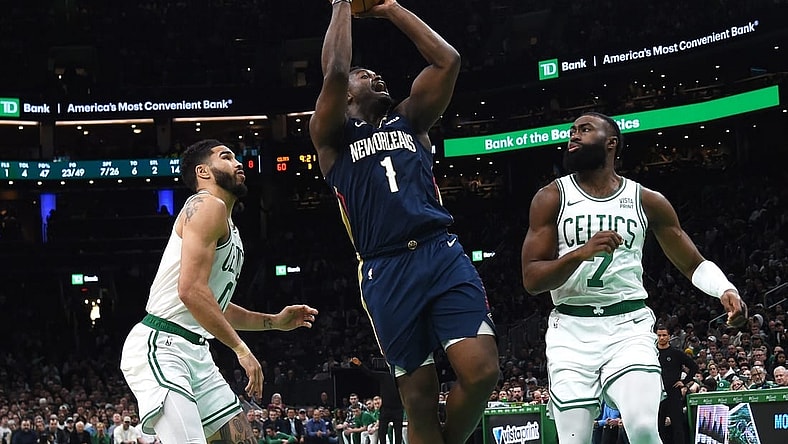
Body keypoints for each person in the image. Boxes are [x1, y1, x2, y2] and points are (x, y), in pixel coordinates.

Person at [310, 2, 499, 443]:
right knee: (419, 400)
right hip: (385, 267)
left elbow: (447, 60)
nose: (375, 76)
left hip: (441, 253)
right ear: (346, 96)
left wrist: (391, 8)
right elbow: (335, 71)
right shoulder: (332, 138)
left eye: (376, 73)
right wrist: (341, 4)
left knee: (483, 372)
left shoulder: (410, 119)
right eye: (364, 75)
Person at [520, 112, 746, 444]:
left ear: (611, 143)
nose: (574, 136)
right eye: (572, 131)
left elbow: (692, 263)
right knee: (574, 439)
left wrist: (724, 288)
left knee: (641, 427)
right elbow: (531, 279)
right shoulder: (551, 197)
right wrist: (580, 253)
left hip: (628, 326)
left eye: (585, 130)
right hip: (570, 330)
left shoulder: (646, 200)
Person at [119, 139, 319, 444]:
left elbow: (215, 304)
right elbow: (190, 291)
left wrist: (273, 321)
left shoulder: (228, 224)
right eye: (226, 157)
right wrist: (241, 349)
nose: (238, 163)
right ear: (203, 171)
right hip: (163, 344)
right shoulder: (206, 205)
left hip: (196, 351)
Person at [656, 325, 698, 444]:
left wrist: (684, 382)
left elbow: (693, 367)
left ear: (669, 337)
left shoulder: (676, 353)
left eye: (664, 335)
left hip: (673, 393)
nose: (662, 338)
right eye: (659, 335)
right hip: (656, 394)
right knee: (658, 426)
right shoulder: (652, 354)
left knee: (677, 425)